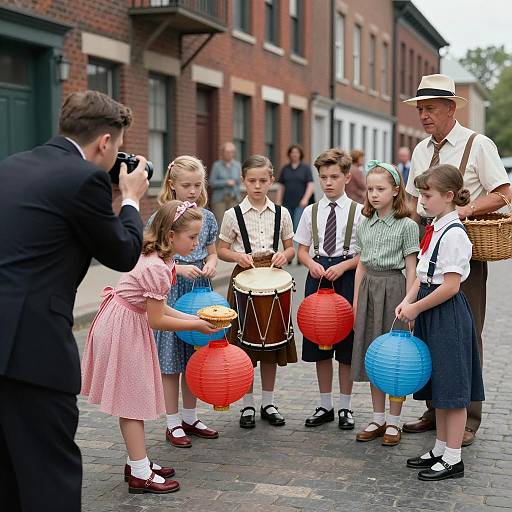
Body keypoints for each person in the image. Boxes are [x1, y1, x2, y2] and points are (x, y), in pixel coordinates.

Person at [0, 90, 149, 511]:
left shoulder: (13, 165)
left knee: (8, 474)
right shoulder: (83, 179)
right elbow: (122, 253)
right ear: (104, 142)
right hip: (33, 349)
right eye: (117, 145)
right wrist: (133, 199)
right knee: (50, 476)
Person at [81, 201, 220, 494]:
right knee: (132, 400)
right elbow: (157, 320)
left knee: (132, 397)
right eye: (192, 237)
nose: (196, 244)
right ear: (171, 236)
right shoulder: (157, 267)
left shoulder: (163, 259)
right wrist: (196, 325)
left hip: (128, 321)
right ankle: (140, 474)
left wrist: (195, 317)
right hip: (124, 328)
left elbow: (162, 307)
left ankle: (137, 462)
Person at [402, 73, 511, 446]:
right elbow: (415, 203)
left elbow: (503, 193)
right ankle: (436, 410)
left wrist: (461, 212)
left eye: (431, 108)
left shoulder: (478, 145)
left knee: (466, 333)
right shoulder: (419, 151)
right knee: (431, 330)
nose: (424, 116)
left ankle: (469, 419)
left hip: (465, 251)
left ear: (451, 107)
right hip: (428, 244)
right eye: (420, 109)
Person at [396, 164, 485, 481]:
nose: (422, 200)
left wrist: (417, 308)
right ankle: (439, 448)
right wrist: (407, 301)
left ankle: (453, 457)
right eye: (420, 193)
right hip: (430, 310)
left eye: (427, 194)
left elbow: (450, 286)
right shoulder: (434, 227)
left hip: (446, 313)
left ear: (449, 196)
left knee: (453, 387)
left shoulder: (454, 234)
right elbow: (423, 276)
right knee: (439, 386)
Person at [217, 155, 296, 429]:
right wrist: (237, 257)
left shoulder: (282, 213)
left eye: (263, 181)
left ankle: (268, 401)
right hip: (244, 279)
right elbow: (222, 249)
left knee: (271, 342)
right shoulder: (232, 215)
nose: (258, 186)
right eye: (252, 181)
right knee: (245, 342)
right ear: (243, 182)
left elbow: (290, 248)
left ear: (272, 181)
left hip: (273, 278)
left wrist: (285, 256)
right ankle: (247, 403)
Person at [152, 156, 220, 448]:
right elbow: (150, 258)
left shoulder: (207, 217)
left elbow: (212, 251)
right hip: (171, 294)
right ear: (172, 185)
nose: (192, 191)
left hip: (199, 292)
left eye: (197, 185)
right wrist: (177, 268)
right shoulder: (161, 218)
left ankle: (190, 418)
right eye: (186, 185)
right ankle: (172, 422)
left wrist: (213, 263)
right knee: (171, 362)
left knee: (194, 356)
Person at [351, 160, 419, 446]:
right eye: (370, 189)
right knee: (373, 353)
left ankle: (394, 421)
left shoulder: (407, 226)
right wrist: (355, 303)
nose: (374, 194)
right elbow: (361, 267)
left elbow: (412, 269)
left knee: (395, 358)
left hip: (394, 290)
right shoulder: (364, 224)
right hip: (369, 289)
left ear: (395, 190)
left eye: (380, 189)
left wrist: (409, 303)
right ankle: (377, 417)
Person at [294, 148, 363, 430]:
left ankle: (346, 407)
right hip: (319, 277)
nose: (328, 183)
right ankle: (325, 404)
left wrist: (345, 267)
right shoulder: (311, 212)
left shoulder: (360, 212)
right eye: (323, 177)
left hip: (346, 277)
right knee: (320, 342)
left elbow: (365, 255)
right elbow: (301, 250)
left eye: (334, 176)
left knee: (345, 345)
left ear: (347, 177)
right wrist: (310, 263)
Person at [276, 144, 315, 230]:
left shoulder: (305, 168)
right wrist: (278, 201)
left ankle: (297, 243)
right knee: (287, 227)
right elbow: (281, 186)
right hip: (287, 202)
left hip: (300, 203)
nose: (294, 154)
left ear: (300, 154)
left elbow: (310, 185)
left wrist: (305, 199)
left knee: (298, 226)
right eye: (292, 152)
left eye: (297, 152)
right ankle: (290, 243)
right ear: (289, 154)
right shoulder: (285, 169)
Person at [210, 142, 242, 225]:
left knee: (234, 223)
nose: (230, 154)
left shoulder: (237, 165)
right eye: (227, 152)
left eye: (232, 152)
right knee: (221, 223)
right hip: (220, 199)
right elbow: (212, 183)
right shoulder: (217, 165)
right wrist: (226, 182)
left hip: (233, 198)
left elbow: (240, 181)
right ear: (223, 153)